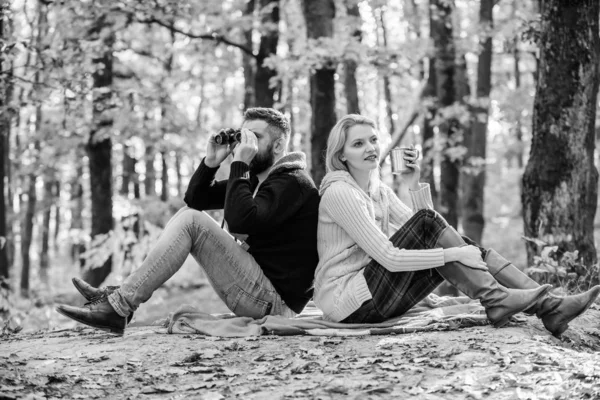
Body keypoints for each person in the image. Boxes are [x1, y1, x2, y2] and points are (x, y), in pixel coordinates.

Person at [313, 114, 600, 337]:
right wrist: (454, 255)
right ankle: (500, 299)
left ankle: (550, 307)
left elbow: (435, 232)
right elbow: (389, 256)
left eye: (373, 140)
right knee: (452, 245)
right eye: (358, 144)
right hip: (349, 303)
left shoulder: (379, 191)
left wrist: (413, 183)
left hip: (374, 291)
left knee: (464, 245)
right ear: (341, 155)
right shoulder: (340, 193)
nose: (371, 148)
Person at [56, 107, 320, 335]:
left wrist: (239, 165)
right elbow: (195, 199)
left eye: (255, 138)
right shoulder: (257, 180)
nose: (245, 144)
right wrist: (211, 162)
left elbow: (241, 223)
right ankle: (119, 299)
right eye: (243, 136)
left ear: (277, 146)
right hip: (259, 291)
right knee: (187, 215)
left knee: (192, 222)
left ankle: (119, 307)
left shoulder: (292, 182)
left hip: (274, 303)